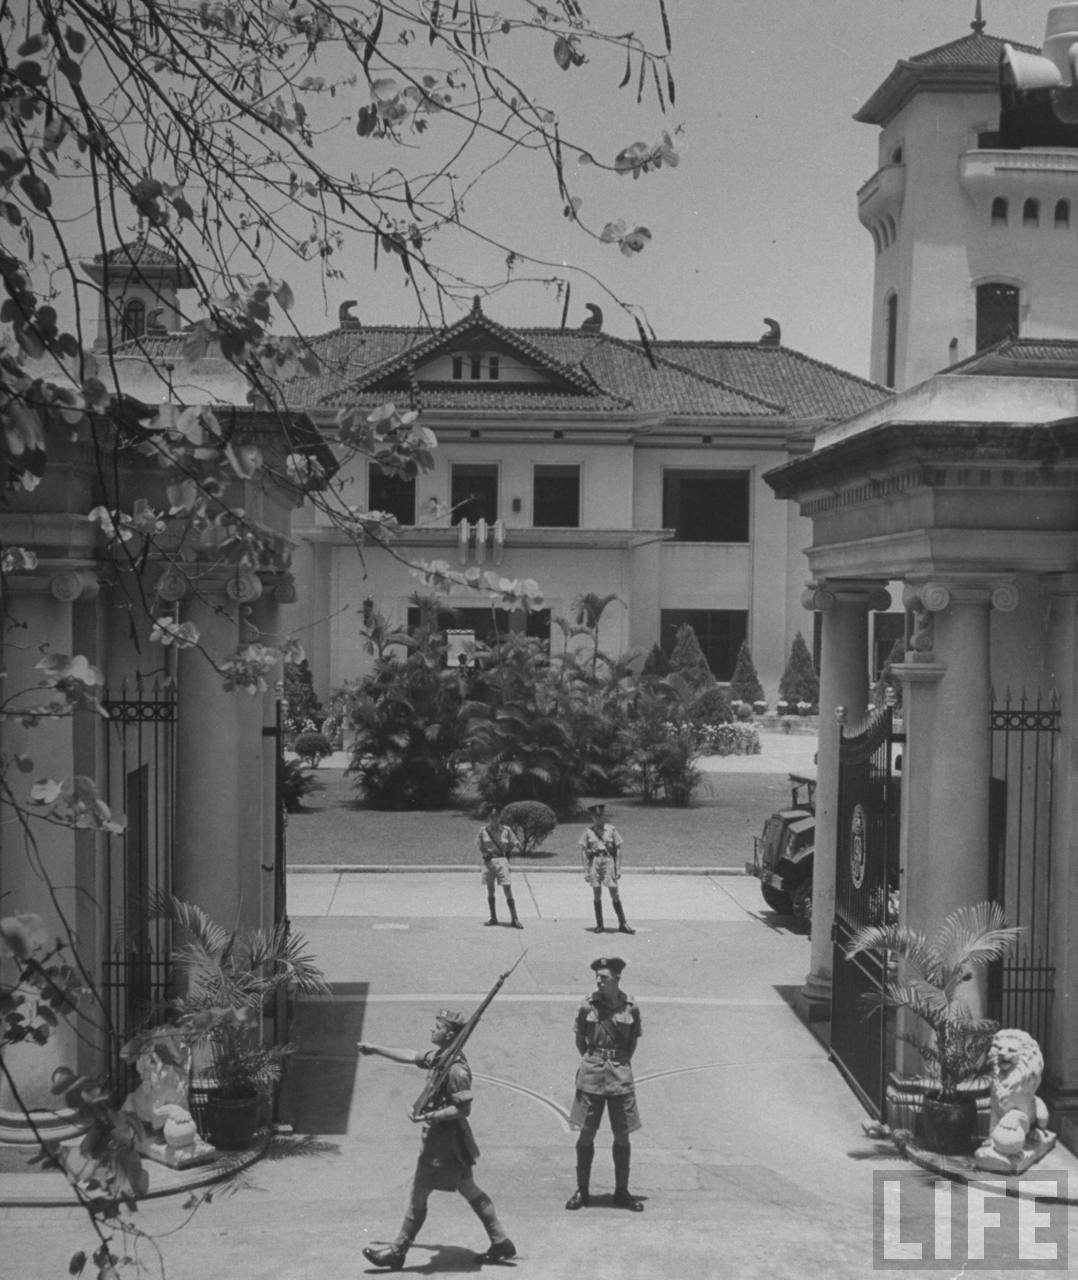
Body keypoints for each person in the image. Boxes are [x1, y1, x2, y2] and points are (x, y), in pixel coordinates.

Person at [357, 1009, 516, 1270]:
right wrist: (376, 1049)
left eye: (438, 1027)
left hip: (443, 1144)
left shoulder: (456, 1070)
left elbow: (463, 1109)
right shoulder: (442, 1057)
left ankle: (397, 1251)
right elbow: (411, 1055)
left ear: (450, 1034)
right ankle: (501, 1242)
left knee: (418, 1194)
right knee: (469, 1189)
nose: (433, 1030)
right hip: (450, 1141)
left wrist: (429, 1115)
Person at [566, 956, 644, 1212]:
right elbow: (580, 1040)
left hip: (619, 1076)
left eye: (604, 977)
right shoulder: (587, 1006)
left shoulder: (630, 1007)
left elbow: (631, 1043)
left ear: (617, 979)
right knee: (586, 1133)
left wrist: (617, 1062)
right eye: (597, 977)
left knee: (622, 1135)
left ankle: (622, 1191)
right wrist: (595, 1060)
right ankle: (582, 1190)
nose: (599, 981)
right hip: (592, 1075)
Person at [578, 801, 635, 934]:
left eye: (600, 816)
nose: (598, 818)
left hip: (608, 862)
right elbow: (583, 852)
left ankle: (623, 923)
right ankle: (599, 924)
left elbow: (618, 849)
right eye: (595, 816)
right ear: (592, 817)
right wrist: (586, 871)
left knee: (614, 893)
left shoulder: (611, 830)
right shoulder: (588, 832)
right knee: (597, 894)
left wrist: (618, 868)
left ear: (603, 816)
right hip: (595, 863)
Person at [477, 804, 523, 929]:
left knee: (507, 889)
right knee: (490, 890)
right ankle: (493, 918)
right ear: (489, 817)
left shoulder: (506, 830)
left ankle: (514, 919)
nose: (494, 819)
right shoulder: (483, 831)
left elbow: (515, 842)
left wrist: (513, 848)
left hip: (502, 861)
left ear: (500, 817)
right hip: (489, 862)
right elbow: (480, 845)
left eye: (496, 816)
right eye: (492, 816)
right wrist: (485, 853)